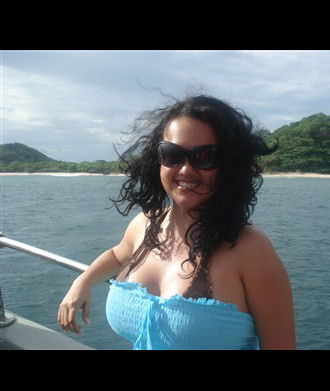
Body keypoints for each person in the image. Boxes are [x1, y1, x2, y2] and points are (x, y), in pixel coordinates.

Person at [57, 94, 296, 350]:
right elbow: (117, 256)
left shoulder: (251, 250)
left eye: (204, 156)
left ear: (229, 165)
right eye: (172, 154)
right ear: (158, 159)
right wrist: (82, 282)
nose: (185, 170)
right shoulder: (145, 223)